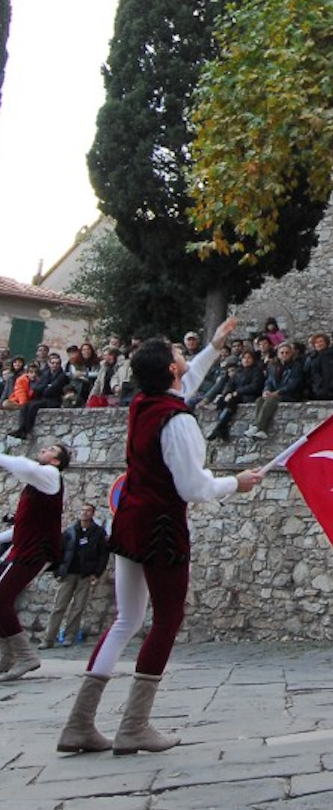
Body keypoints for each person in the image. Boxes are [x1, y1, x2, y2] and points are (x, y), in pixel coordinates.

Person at [55, 318, 263, 756]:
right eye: (177, 354)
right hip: (161, 530)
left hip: (128, 518)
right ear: (171, 369)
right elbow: (193, 487)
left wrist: (214, 346)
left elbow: (183, 388)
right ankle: (134, 726)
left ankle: (79, 724)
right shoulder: (179, 421)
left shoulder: (144, 403)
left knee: (126, 621)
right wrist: (235, 483)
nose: (181, 357)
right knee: (166, 619)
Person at [0, 440, 70, 680]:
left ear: (56, 462)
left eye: (51, 450)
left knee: (1, 599)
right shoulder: (36, 484)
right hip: (25, 550)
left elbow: (23, 465)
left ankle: (25, 657)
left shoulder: (50, 475)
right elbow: (23, 525)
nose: (45, 449)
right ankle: (7, 657)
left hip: (33, 552)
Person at [41, 502, 110, 648]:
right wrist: (57, 571)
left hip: (85, 574)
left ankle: (69, 636)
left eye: (88, 511)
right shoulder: (70, 531)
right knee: (59, 606)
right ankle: (48, 638)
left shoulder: (98, 533)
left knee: (78, 607)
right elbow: (59, 551)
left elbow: (103, 555)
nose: (84, 513)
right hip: (68, 573)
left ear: (92, 514)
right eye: (83, 510)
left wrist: (96, 573)